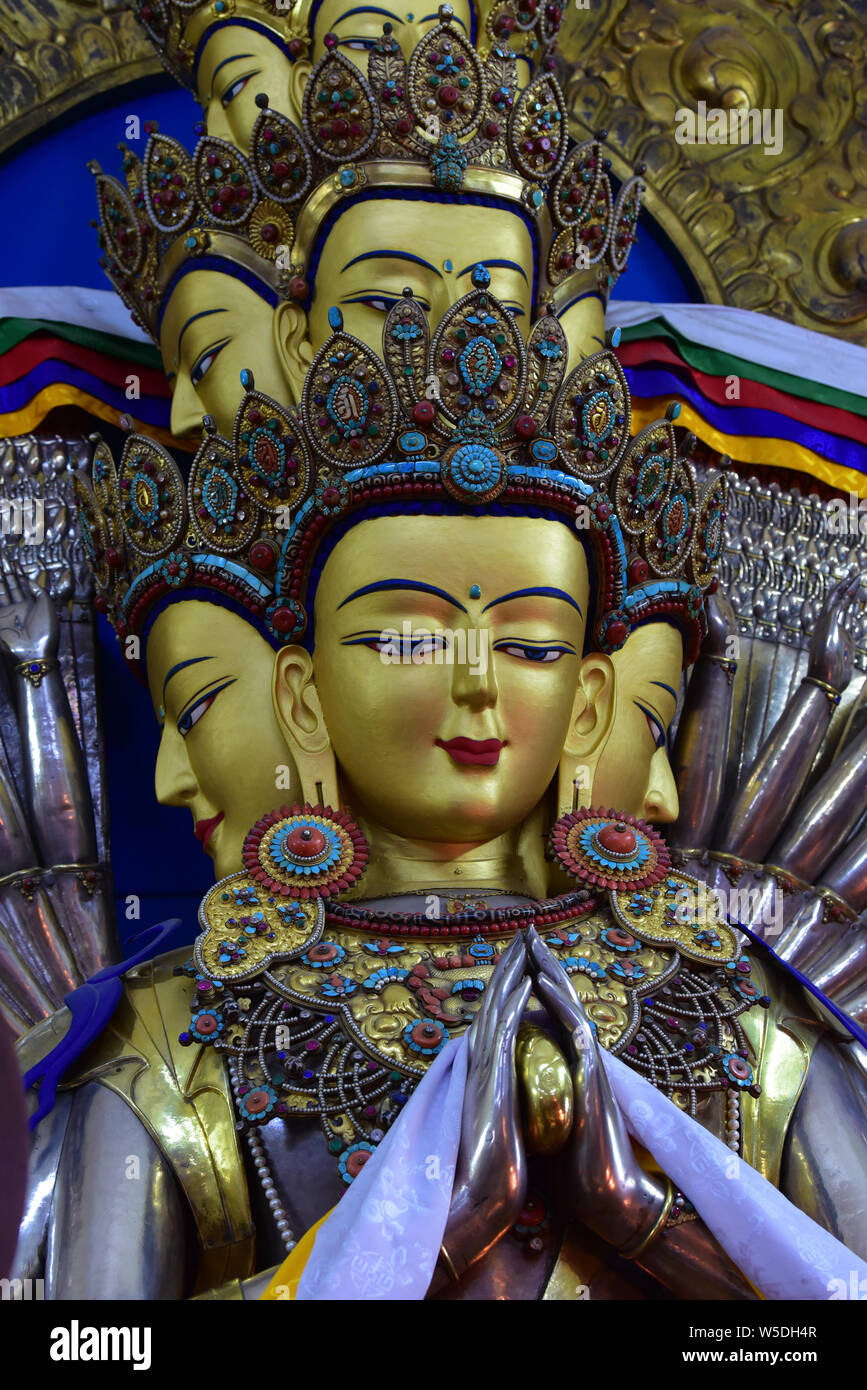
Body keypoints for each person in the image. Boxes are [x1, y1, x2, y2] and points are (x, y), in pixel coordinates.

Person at [14, 265, 867, 1301]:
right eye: (407, 636)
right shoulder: (170, 1033)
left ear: (592, 702)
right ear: (305, 695)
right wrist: (431, 1231)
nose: (474, 685)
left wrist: (641, 1219)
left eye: (533, 645)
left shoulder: (746, 1016)